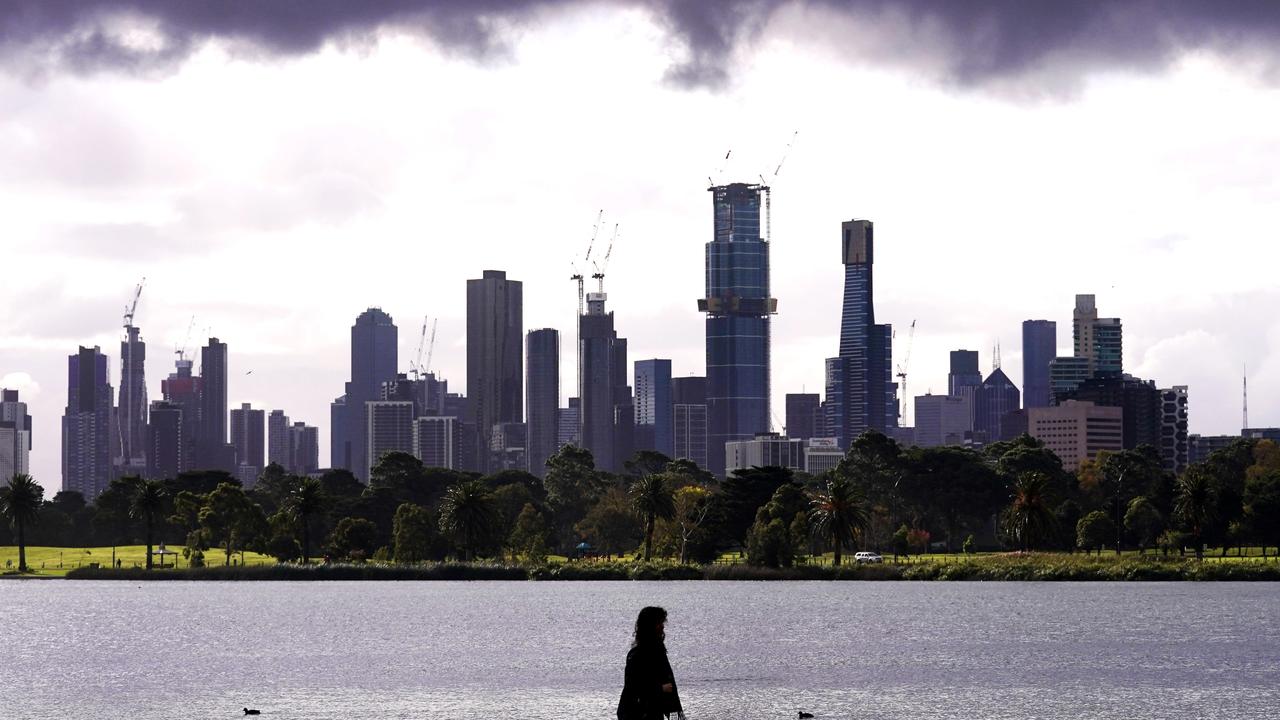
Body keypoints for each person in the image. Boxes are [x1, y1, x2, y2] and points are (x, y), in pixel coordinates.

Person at [617, 606, 684, 720]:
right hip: (637, 713)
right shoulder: (636, 655)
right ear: (649, 626)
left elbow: (668, 684)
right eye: (659, 623)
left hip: (654, 710)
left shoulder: (658, 651)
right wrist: (660, 689)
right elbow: (633, 687)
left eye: (662, 623)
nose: (662, 627)